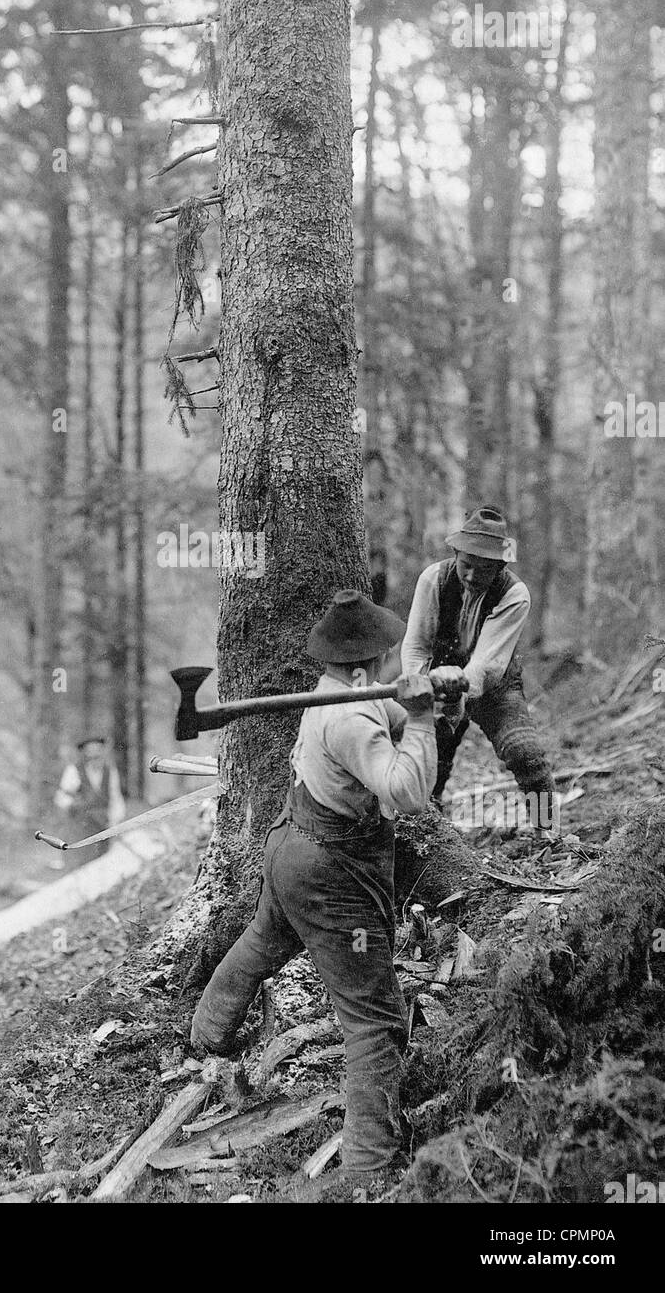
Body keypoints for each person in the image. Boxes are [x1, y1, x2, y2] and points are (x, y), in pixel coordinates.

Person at [190, 589, 463, 1187]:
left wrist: (434, 703)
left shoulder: (336, 693)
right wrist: (420, 719)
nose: (399, 664)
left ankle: (204, 1038)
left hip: (293, 848)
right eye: (393, 657)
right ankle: (367, 1168)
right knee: (373, 1016)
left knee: (265, 939)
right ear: (364, 669)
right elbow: (406, 793)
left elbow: (389, 712)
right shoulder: (346, 719)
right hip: (330, 872)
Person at [401, 505, 556, 834]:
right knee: (431, 760)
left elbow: (487, 663)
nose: (472, 576)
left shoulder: (515, 594)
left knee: (525, 752)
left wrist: (459, 696)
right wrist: (422, 687)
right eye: (466, 565)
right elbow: (416, 646)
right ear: (456, 553)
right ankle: (431, 836)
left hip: (495, 685)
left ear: (500, 566)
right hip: (437, 680)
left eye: (484, 569)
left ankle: (549, 831)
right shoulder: (434, 579)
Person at [53, 736, 126, 866]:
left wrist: (115, 822)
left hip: (102, 825)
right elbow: (61, 797)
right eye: (90, 752)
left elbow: (116, 798)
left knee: (102, 863)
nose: (94, 756)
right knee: (80, 863)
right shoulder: (74, 770)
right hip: (81, 826)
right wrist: (76, 805)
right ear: (84, 754)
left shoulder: (110, 771)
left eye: (97, 751)